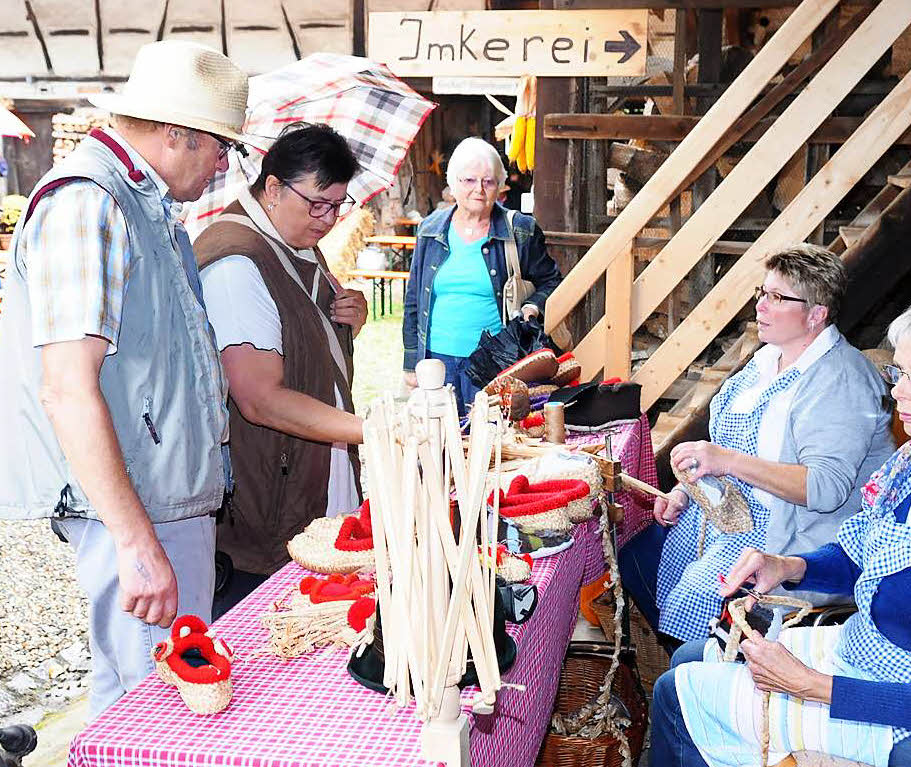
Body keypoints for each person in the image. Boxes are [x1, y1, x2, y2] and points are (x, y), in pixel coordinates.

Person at [651, 293, 911, 767]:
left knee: (673, 693)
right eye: (901, 372)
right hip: (878, 653)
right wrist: (788, 566)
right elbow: (860, 555)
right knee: (688, 659)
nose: (899, 392)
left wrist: (809, 685)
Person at [0, 40, 248, 715]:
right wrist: (135, 540)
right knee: (164, 708)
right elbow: (66, 387)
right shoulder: (91, 203)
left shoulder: (139, 204)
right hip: (137, 508)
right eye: (221, 145)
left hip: (156, 498)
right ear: (176, 134)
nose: (225, 163)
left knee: (136, 702)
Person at [622, 244, 893, 644]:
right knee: (633, 555)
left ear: (816, 315)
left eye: (777, 298)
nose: (760, 307)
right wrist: (687, 489)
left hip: (790, 535)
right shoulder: (769, 359)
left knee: (696, 595)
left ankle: (696, 671)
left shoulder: (840, 381)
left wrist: (726, 462)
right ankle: (677, 663)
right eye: (761, 294)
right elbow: (726, 444)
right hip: (731, 514)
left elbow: (824, 488)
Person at [194, 123, 367, 616]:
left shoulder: (295, 241)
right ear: (272, 187)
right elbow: (260, 398)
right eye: (317, 204)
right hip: (265, 509)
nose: (328, 219)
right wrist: (374, 431)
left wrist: (348, 317)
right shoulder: (237, 262)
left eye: (338, 205)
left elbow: (301, 339)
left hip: (307, 487)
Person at [402, 137, 562, 413]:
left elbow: (552, 281)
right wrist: (410, 363)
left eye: (488, 182)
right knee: (440, 446)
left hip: (496, 362)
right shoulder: (430, 229)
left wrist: (533, 306)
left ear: (499, 186)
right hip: (437, 364)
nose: (479, 189)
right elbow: (414, 299)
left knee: (493, 444)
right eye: (469, 181)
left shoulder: (520, 231)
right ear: (453, 184)